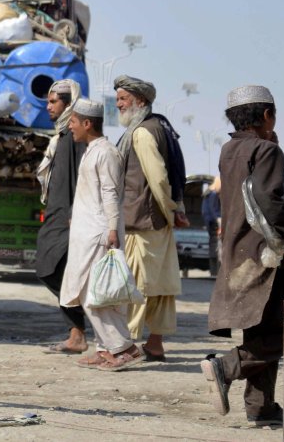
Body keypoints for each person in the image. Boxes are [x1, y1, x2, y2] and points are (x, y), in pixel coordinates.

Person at [202, 86, 284, 428]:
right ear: (267, 116)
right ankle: (225, 367)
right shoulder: (266, 151)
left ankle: (260, 406)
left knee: (260, 329)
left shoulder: (229, 149)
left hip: (236, 251)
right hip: (265, 255)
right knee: (278, 334)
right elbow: (267, 199)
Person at [59, 99, 142, 370]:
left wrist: (111, 229)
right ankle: (104, 348)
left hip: (98, 233)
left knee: (94, 292)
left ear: (86, 123)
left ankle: (123, 348)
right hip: (88, 231)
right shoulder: (92, 150)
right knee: (94, 291)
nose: (69, 126)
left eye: (72, 121)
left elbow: (110, 193)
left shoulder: (105, 152)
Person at [114, 75, 187, 361]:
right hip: (157, 222)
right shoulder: (160, 127)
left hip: (142, 223)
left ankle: (125, 347)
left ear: (140, 101)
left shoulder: (143, 132)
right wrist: (173, 212)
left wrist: (171, 210)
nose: (119, 104)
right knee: (159, 285)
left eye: (123, 99)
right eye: (118, 98)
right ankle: (154, 345)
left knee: (133, 286)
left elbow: (157, 179)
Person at [35, 79, 89, 355]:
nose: (48, 107)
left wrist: (73, 215)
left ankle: (80, 329)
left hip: (68, 218)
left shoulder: (74, 136)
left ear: (68, 104)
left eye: (53, 101)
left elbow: (81, 178)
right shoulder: (62, 136)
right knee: (55, 270)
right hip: (57, 214)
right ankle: (77, 332)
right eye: (48, 101)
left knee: (52, 267)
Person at [203, 177, 222, 276]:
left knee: (212, 247)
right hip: (213, 224)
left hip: (209, 223)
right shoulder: (213, 194)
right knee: (216, 247)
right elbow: (214, 210)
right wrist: (219, 220)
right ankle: (215, 272)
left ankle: (213, 271)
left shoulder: (208, 193)